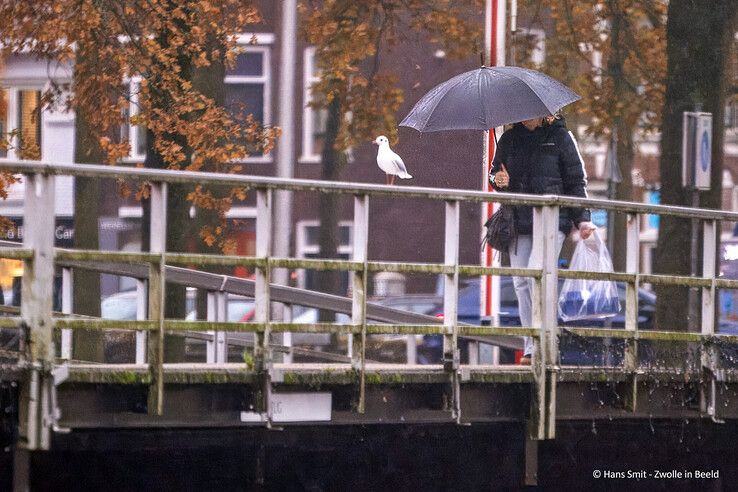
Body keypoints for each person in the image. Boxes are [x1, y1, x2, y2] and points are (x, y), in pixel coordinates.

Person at [489, 114, 595, 365]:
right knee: (521, 283)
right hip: (517, 219)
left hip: (551, 219)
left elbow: (575, 180)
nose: (525, 118)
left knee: (536, 276)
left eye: (530, 114)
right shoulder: (509, 139)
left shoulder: (560, 138)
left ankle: (544, 343)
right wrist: (498, 180)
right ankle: (530, 346)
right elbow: (496, 174)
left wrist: (583, 219)